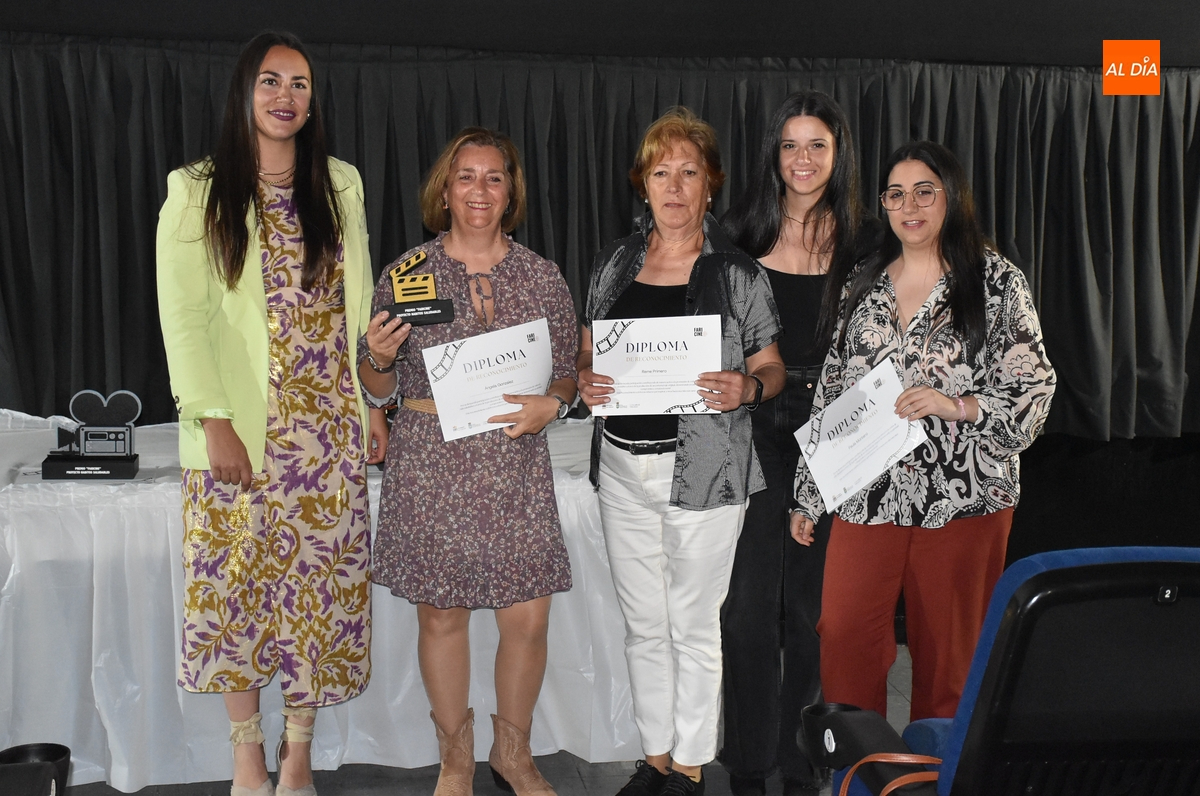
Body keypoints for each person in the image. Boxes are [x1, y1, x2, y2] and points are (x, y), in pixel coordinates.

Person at [157, 31, 386, 796]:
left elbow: (357, 305)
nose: (286, 96)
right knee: (236, 595)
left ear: (313, 102)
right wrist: (212, 418)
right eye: (270, 81)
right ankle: (246, 756)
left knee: (315, 596)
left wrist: (372, 402)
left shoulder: (340, 185)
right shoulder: (197, 190)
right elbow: (184, 318)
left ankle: (298, 754)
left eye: (300, 84)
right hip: (239, 434)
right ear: (244, 92)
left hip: (327, 428)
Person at [792, 140, 1056, 725]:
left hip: (965, 497)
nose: (908, 206)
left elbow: (1034, 389)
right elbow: (834, 388)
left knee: (949, 662)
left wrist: (955, 405)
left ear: (951, 197)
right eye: (895, 194)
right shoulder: (863, 283)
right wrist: (809, 493)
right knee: (844, 634)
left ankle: (936, 769)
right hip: (867, 492)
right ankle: (858, 767)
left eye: (924, 191)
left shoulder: (995, 282)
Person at [360, 127, 577, 796]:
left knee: (528, 620)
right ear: (445, 190)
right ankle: (455, 759)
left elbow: (567, 373)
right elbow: (378, 388)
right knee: (441, 617)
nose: (479, 190)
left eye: (493, 177)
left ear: (510, 192)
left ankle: (514, 755)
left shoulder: (541, 275)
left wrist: (554, 405)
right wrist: (377, 358)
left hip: (516, 464)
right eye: (466, 176)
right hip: (433, 464)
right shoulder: (407, 274)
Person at [577, 107, 785, 796]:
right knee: (642, 626)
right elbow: (587, 353)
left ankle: (692, 766)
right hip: (621, 468)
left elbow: (772, 367)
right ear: (643, 184)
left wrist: (747, 387)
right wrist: (585, 376)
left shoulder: (738, 273)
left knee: (694, 626)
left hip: (704, 471)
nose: (673, 187)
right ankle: (656, 758)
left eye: (688, 173)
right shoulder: (614, 262)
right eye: (660, 172)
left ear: (710, 185)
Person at [717, 90, 876, 796]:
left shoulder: (869, 243)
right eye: (789, 145)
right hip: (752, 422)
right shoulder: (738, 235)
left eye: (817, 145)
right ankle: (750, 766)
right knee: (748, 610)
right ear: (773, 155)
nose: (802, 159)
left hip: (838, 429)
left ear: (839, 154)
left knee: (816, 616)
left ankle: (801, 762)